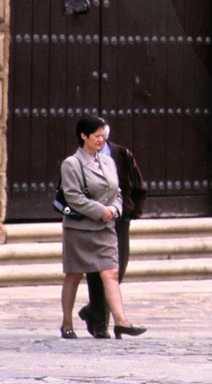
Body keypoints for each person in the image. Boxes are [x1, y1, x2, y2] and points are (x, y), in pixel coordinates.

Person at [58, 114, 146, 339]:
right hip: (80, 229)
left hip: (106, 227)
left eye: (103, 136)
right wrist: (101, 211)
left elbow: (117, 191)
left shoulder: (108, 161)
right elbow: (73, 196)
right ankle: (67, 322)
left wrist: (115, 210)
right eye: (96, 136)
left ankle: (121, 321)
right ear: (83, 136)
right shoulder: (71, 164)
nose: (101, 140)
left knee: (111, 273)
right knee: (74, 275)